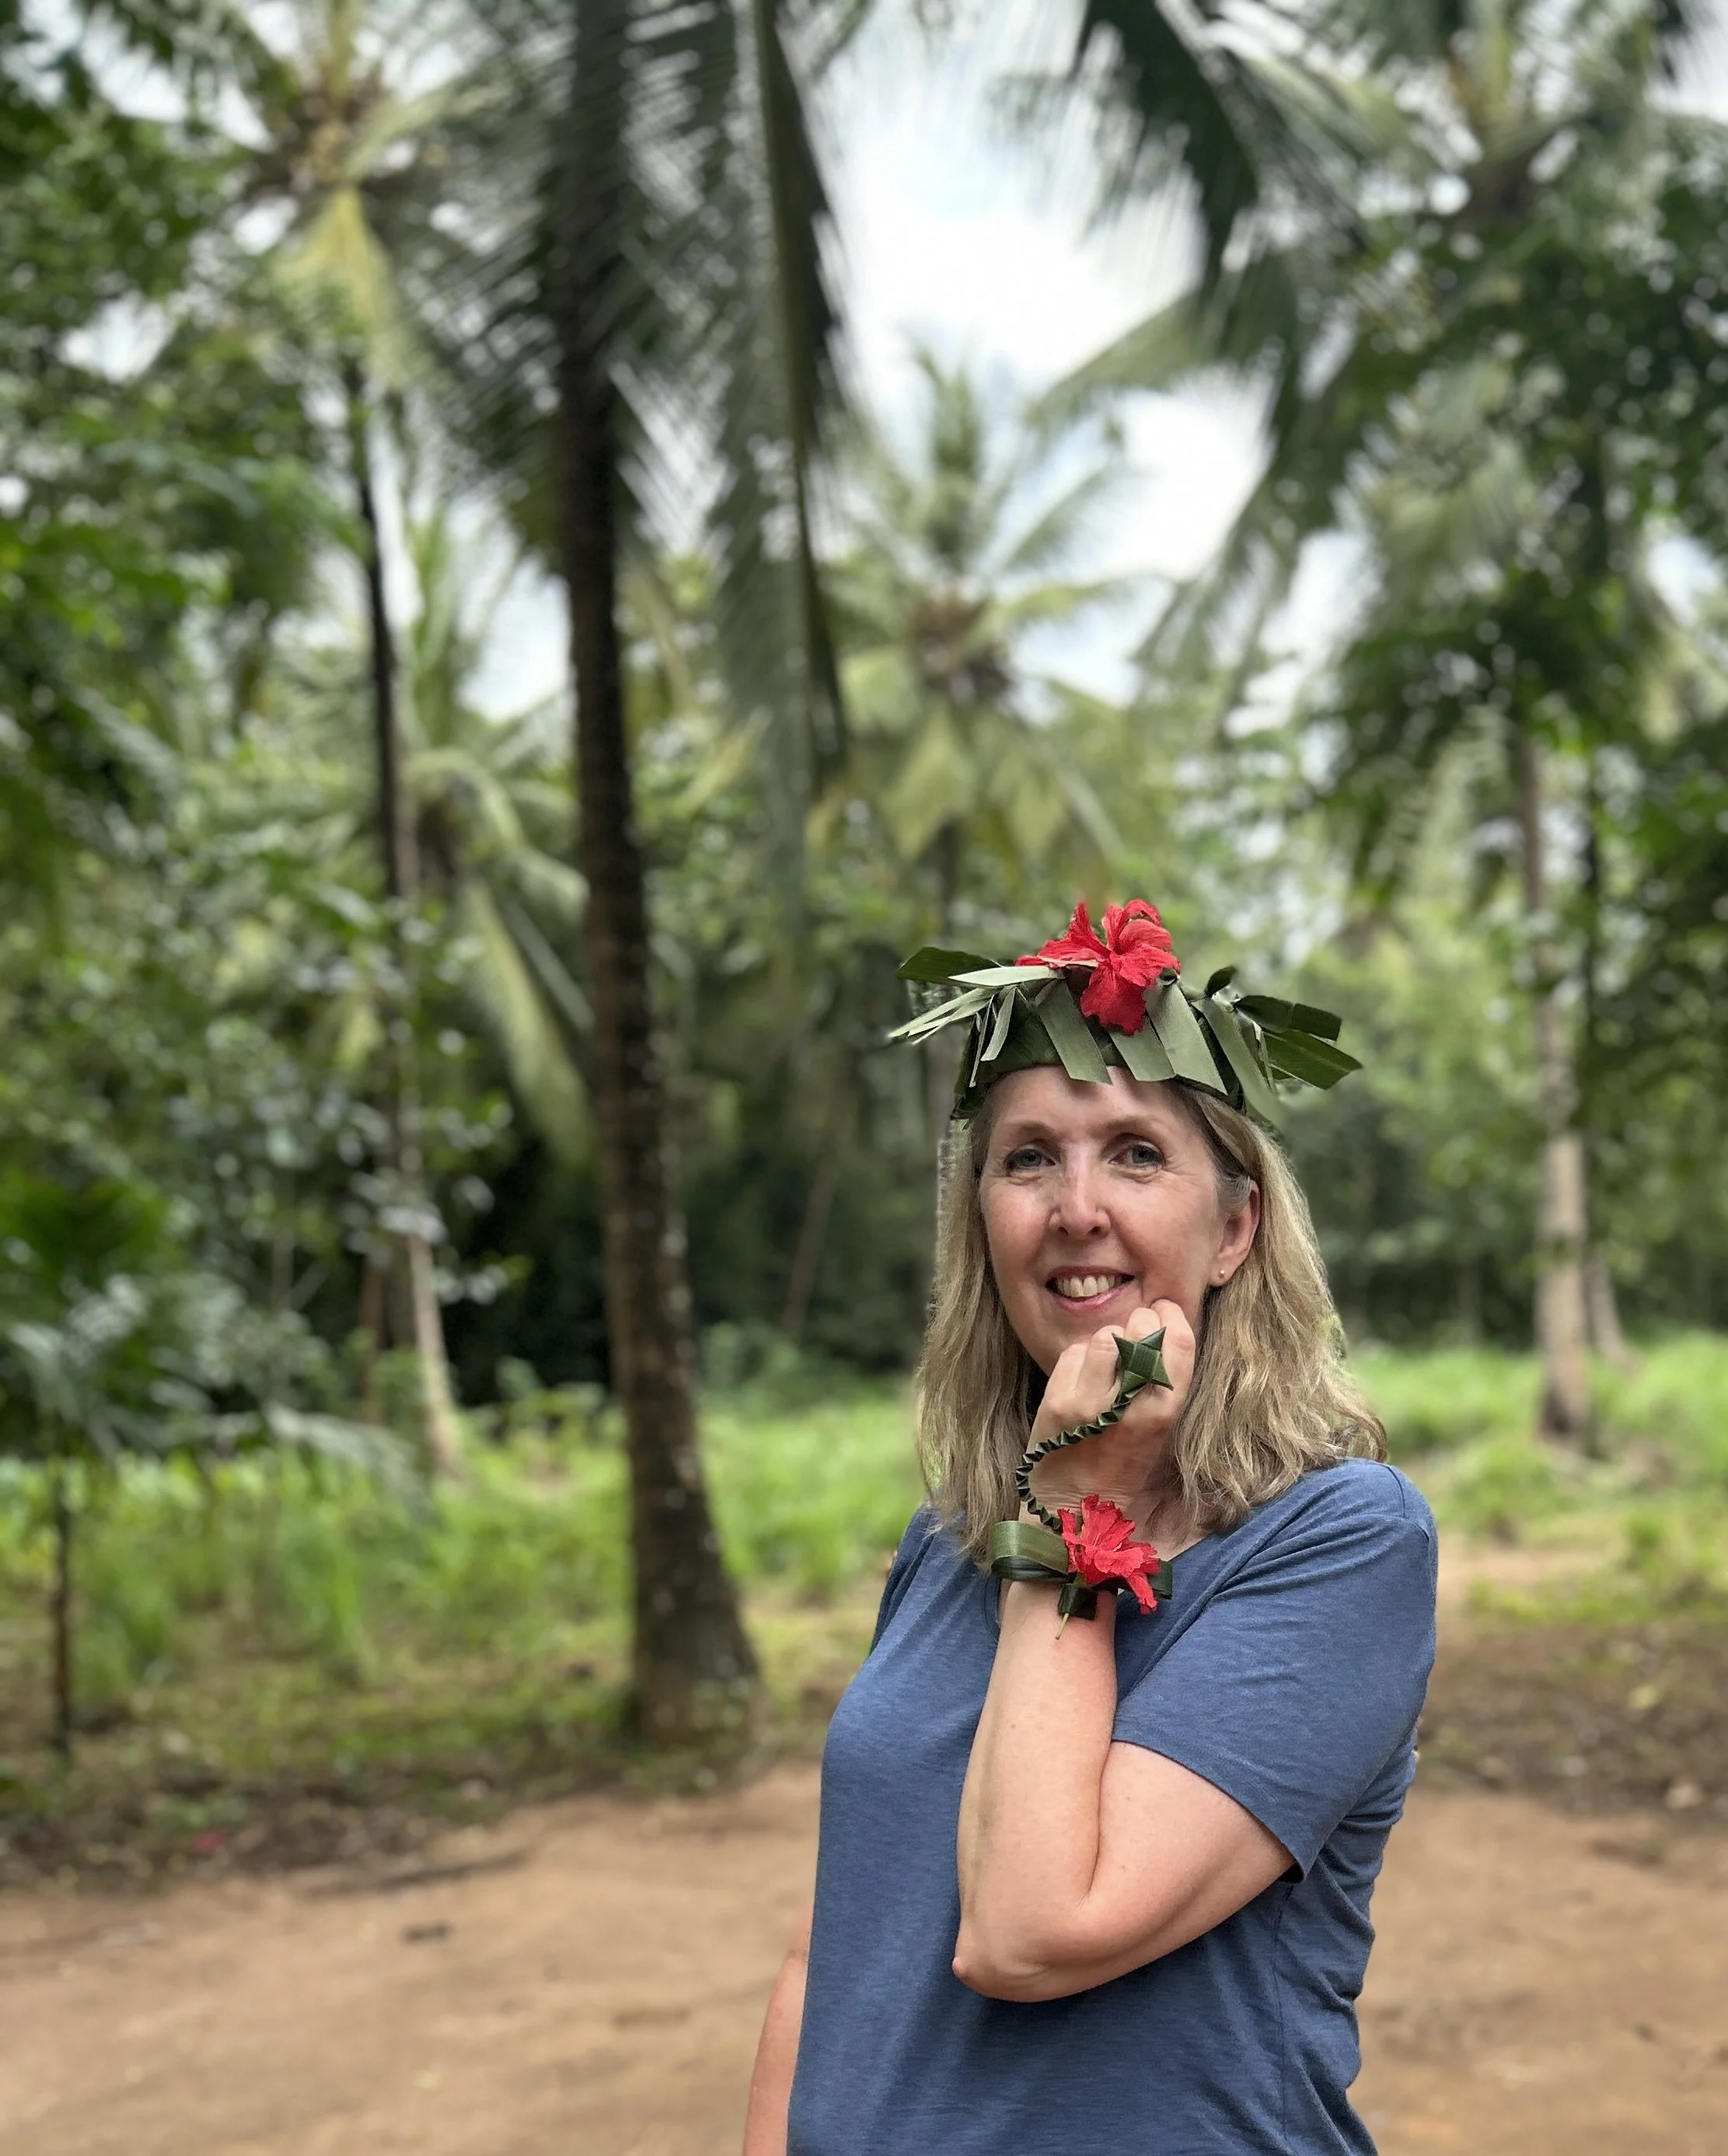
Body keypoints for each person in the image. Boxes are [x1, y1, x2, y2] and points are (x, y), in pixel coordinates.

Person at [742, 899, 1437, 2156]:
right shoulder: (948, 1544)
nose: (1074, 1207)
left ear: (1232, 1230)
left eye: (1132, 1153)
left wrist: (1072, 1507)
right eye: (1026, 1159)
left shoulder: (1339, 1543)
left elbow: (1028, 1931)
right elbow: (830, 1954)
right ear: (982, 1230)